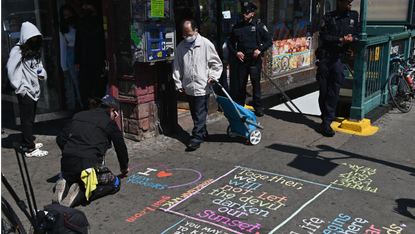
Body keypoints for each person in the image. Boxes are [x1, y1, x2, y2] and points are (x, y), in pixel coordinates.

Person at [54, 95, 129, 208]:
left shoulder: (79, 115)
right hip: (88, 166)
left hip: (66, 165)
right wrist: (124, 168)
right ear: (112, 111)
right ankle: (79, 196)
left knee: (79, 177)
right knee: (115, 183)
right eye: (116, 115)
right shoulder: (108, 122)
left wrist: (70, 152)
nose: (114, 117)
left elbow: (60, 139)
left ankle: (65, 184)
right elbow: (120, 147)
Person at [173, 19, 223, 151]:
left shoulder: (206, 44)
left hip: (202, 86)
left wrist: (213, 77)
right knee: (195, 113)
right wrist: (178, 83)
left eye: (189, 34)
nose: (187, 37)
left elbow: (216, 64)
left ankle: (196, 138)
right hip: (189, 86)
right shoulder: (181, 47)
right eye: (185, 34)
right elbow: (177, 66)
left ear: (196, 31)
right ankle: (203, 132)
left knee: (200, 112)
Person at [315, 0, 360, 137]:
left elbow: (359, 34)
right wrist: (340, 40)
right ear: (340, 2)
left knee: (334, 91)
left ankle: (327, 121)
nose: (350, 3)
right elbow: (324, 35)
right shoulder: (329, 17)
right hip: (326, 59)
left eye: (351, 1)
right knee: (324, 91)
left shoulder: (353, 16)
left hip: (339, 60)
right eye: (347, 1)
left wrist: (353, 39)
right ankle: (326, 117)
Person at [6, 21, 49, 157]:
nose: (34, 40)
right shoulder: (17, 51)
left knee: (29, 118)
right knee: (27, 120)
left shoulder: (34, 50)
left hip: (35, 89)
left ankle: (26, 144)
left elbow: (39, 66)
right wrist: (20, 88)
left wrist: (43, 75)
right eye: (32, 38)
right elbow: (11, 70)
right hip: (25, 90)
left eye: (36, 37)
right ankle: (30, 149)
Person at [227, 2, 272, 117]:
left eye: (247, 12)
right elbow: (230, 43)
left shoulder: (259, 26)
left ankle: (258, 108)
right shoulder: (237, 27)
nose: (244, 15)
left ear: (252, 13)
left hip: (254, 61)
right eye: (243, 12)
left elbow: (269, 41)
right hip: (242, 61)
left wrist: (260, 50)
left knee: (255, 84)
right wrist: (236, 53)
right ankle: (240, 107)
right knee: (241, 85)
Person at [75, 0, 106, 109]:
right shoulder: (82, 21)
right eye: (83, 5)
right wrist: (77, 61)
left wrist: (105, 62)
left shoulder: (102, 20)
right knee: (85, 92)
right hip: (84, 63)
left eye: (87, 4)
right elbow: (78, 42)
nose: (85, 7)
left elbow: (106, 42)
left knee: (100, 92)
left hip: (99, 62)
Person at [59, 4, 82, 109]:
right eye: (65, 16)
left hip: (84, 54)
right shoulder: (63, 29)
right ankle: (84, 107)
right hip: (71, 55)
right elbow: (63, 47)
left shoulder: (81, 24)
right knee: (78, 84)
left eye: (69, 14)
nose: (68, 17)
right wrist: (64, 65)